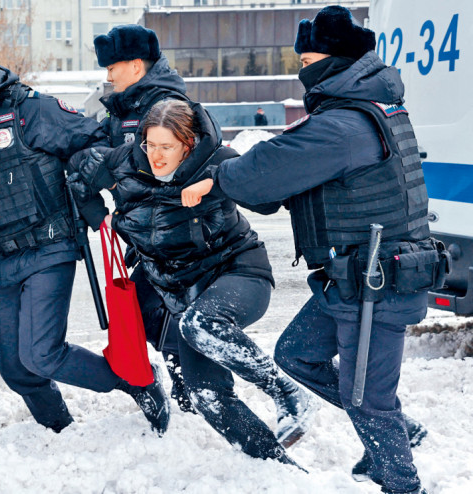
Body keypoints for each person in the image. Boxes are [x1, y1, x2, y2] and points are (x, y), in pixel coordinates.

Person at [182, 6, 439, 494]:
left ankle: (402, 482)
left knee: (366, 397)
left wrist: (216, 177)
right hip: (352, 277)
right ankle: (394, 439)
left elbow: (267, 169)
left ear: (335, 59)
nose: (302, 70)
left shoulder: (344, 124)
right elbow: (283, 182)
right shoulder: (363, 107)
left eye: (307, 59)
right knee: (298, 354)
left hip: (378, 283)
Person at [0, 33, 170, 436]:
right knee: (16, 368)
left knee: (43, 354)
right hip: (0, 261)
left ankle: (137, 383)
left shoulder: (31, 111)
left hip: (49, 248)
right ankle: (59, 431)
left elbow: (92, 142)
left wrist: (86, 187)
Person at [70, 99, 317, 464]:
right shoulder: (125, 162)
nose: (155, 155)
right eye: (149, 144)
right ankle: (276, 466)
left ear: (188, 144)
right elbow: (78, 170)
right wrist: (98, 216)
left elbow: (270, 200)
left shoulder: (216, 160)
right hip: (181, 293)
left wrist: (215, 183)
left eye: (166, 147)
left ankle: (286, 393)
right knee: (207, 395)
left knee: (202, 324)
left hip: (238, 272)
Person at [92, 24, 196, 412]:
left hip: (172, 232)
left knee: (159, 313)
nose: (108, 76)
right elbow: (97, 147)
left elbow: (161, 169)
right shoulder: (128, 108)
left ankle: (195, 389)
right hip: (147, 233)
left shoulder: (165, 106)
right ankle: (192, 389)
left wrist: (105, 164)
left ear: (136, 66)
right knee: (152, 314)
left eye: (113, 68)